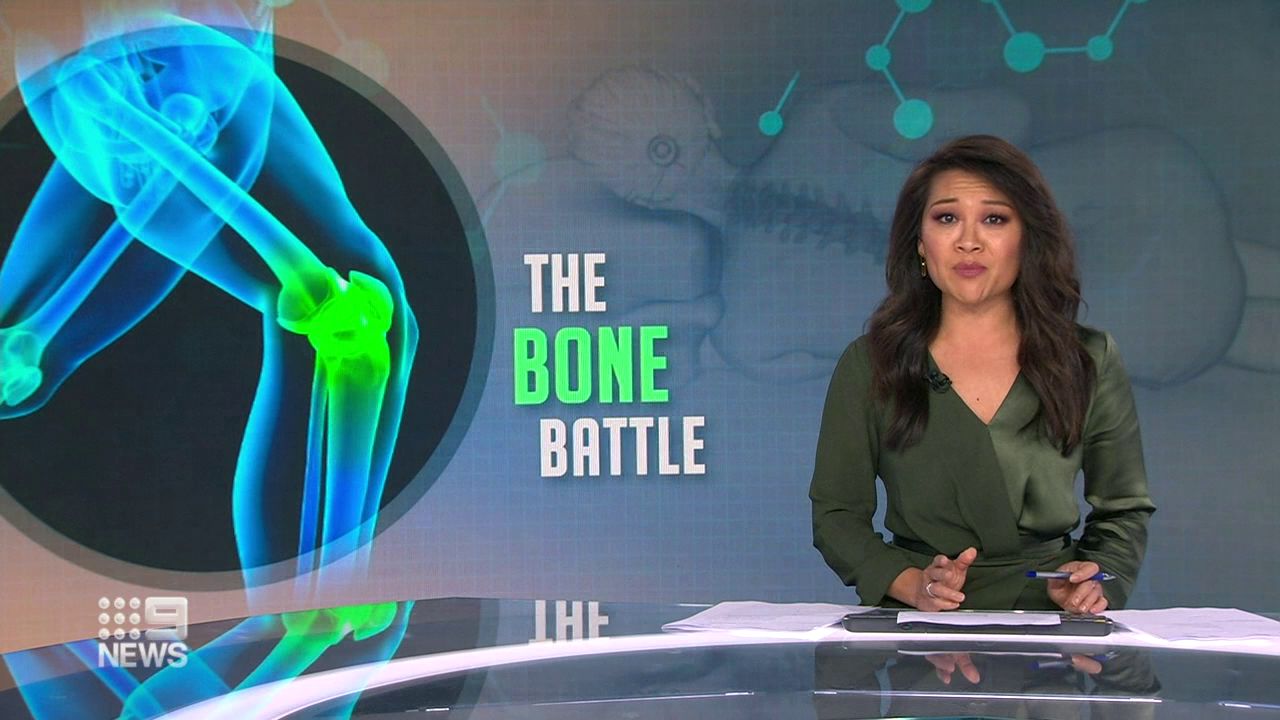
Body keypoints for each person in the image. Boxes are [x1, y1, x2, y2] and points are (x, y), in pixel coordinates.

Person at [809, 134, 1155, 612]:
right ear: (920, 243)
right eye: (946, 218)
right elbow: (837, 516)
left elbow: (1124, 510)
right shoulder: (871, 363)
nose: (968, 241)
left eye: (994, 219)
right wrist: (914, 585)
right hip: (920, 627)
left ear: (1027, 238)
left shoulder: (1088, 358)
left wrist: (1094, 581)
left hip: (1051, 622)